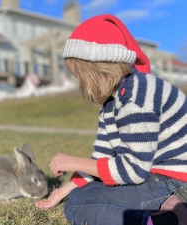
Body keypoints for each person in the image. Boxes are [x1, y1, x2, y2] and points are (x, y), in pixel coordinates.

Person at [35, 14, 187, 225]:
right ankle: (167, 210)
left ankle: (160, 220)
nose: (80, 84)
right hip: (155, 176)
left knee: (78, 205)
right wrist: (65, 189)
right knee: (79, 195)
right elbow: (103, 157)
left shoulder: (137, 94)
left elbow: (133, 170)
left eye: (78, 75)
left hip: (173, 180)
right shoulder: (112, 103)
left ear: (93, 67)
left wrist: (72, 162)